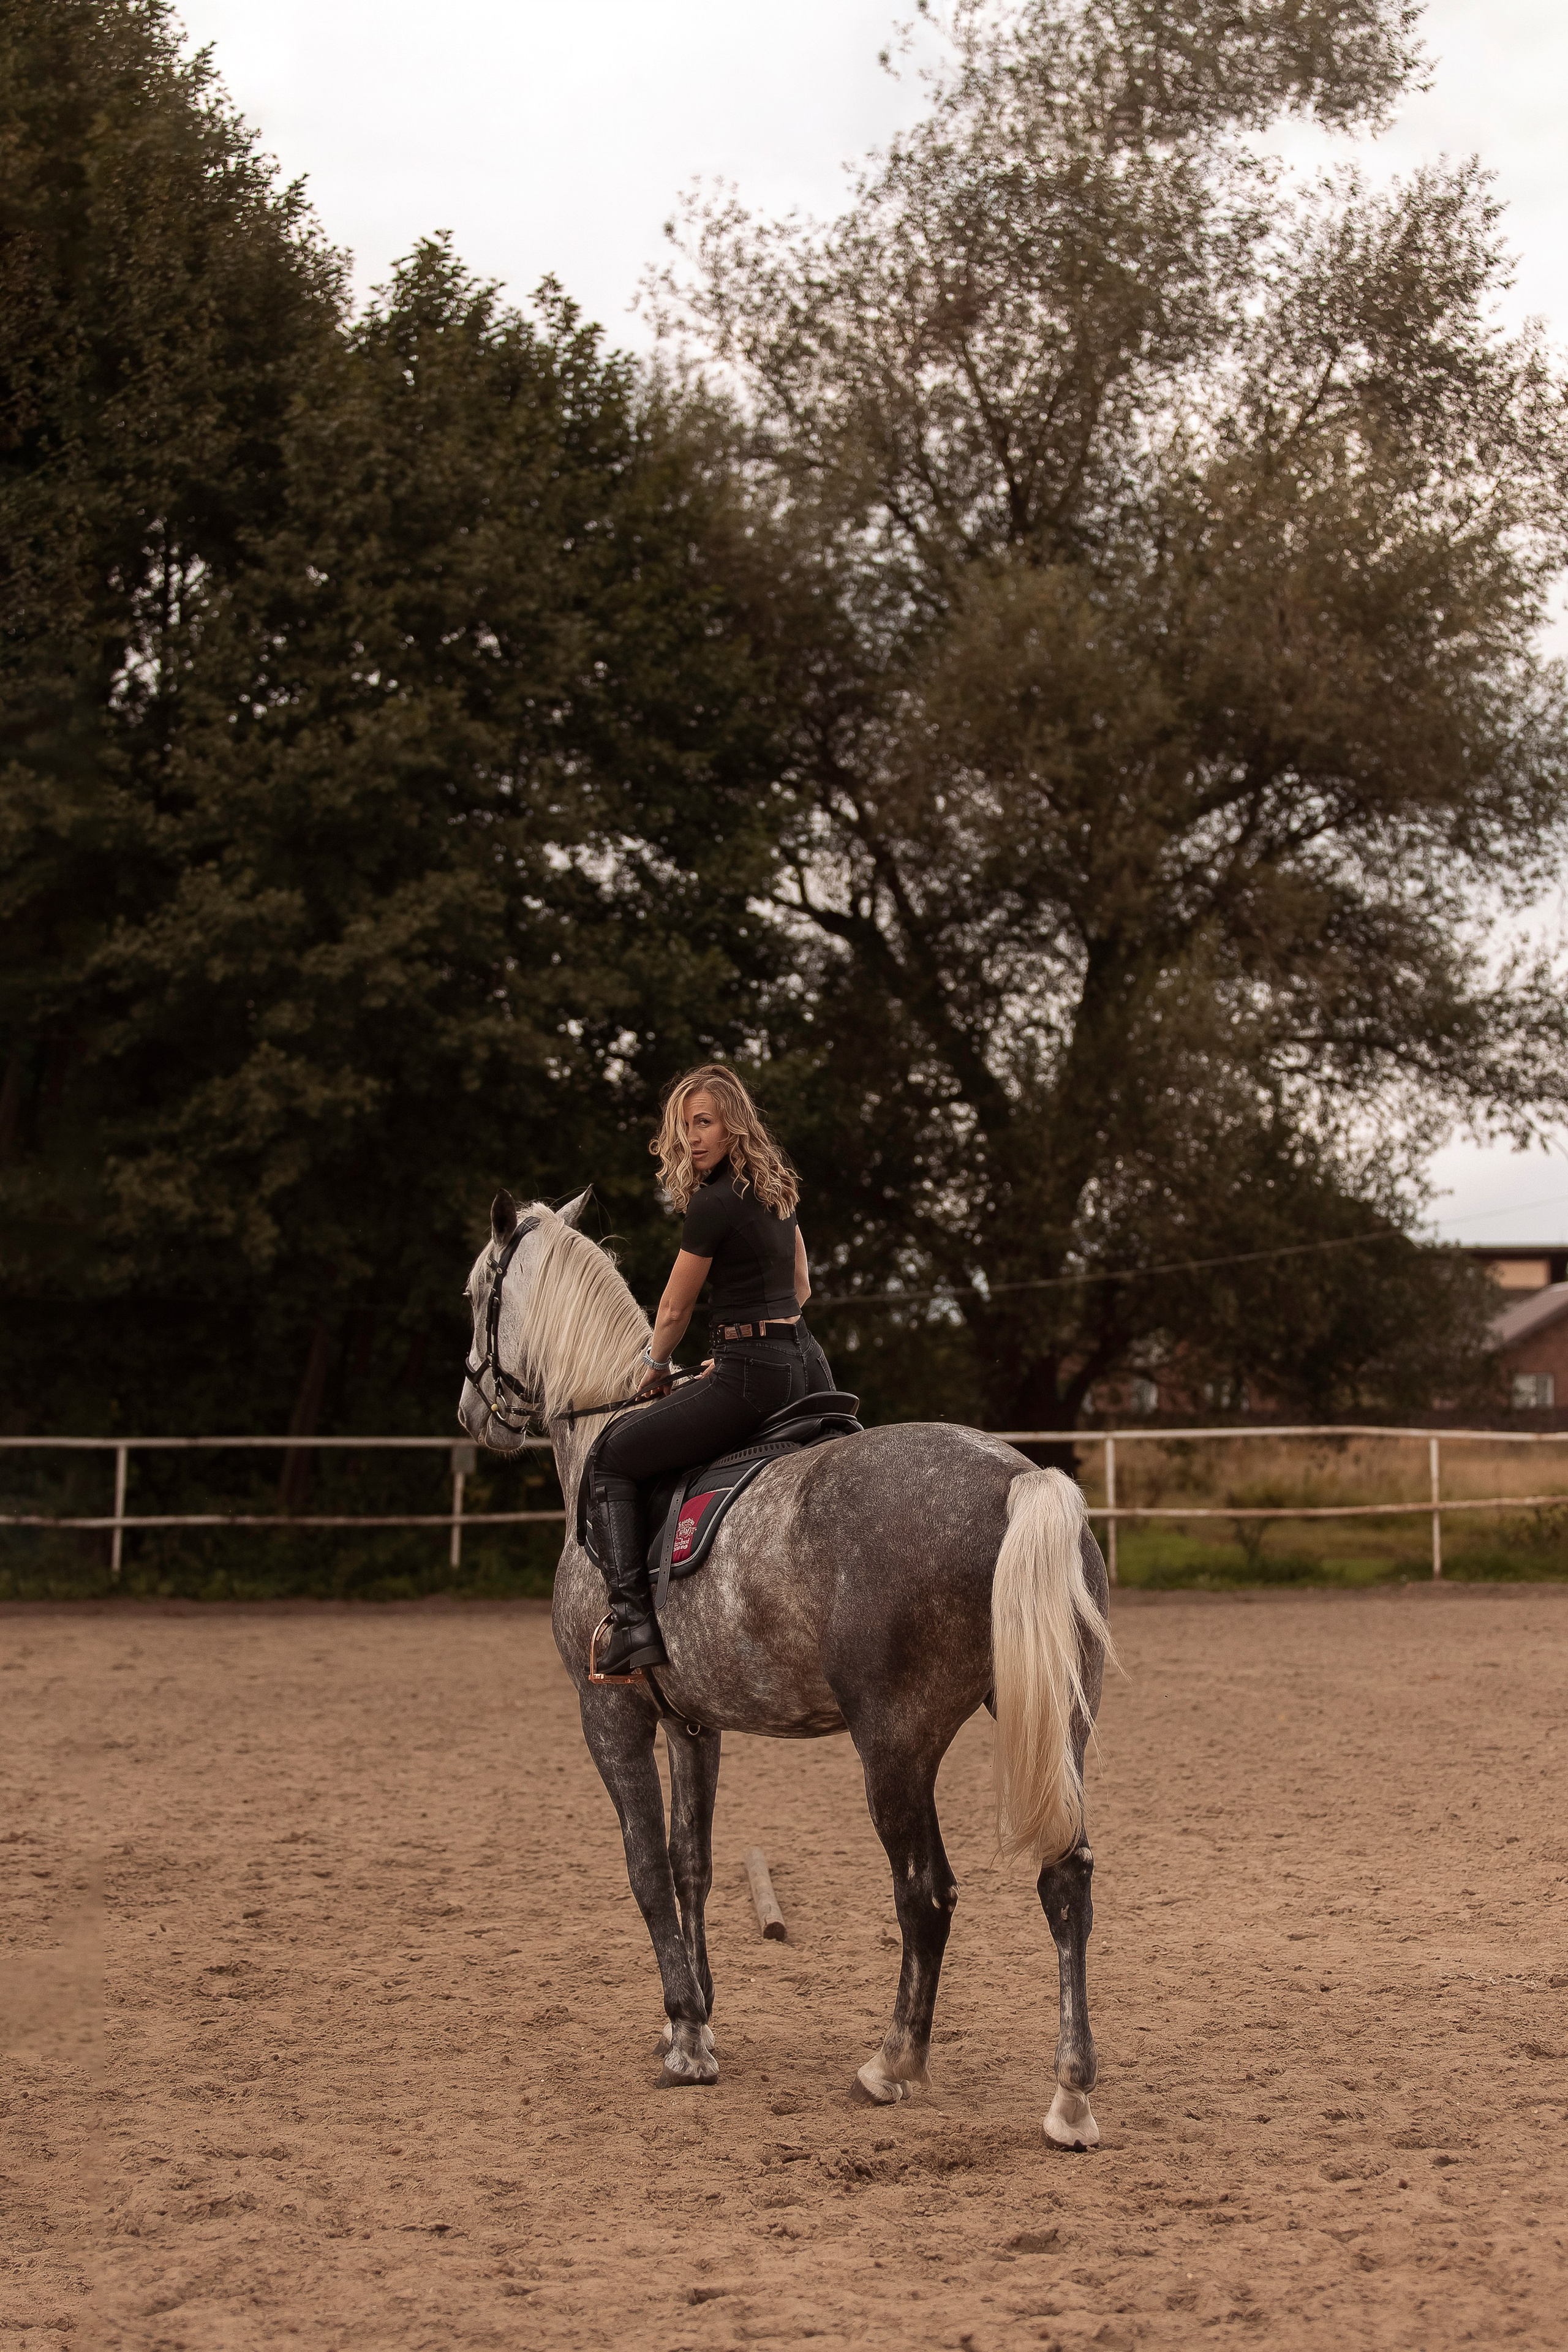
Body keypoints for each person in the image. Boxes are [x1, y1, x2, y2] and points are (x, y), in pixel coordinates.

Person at [586, 1065, 835, 1676]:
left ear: (733, 1126)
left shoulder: (712, 1203)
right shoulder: (778, 1189)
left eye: (704, 1123)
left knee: (610, 1457)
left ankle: (633, 1624)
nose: (692, 1138)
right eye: (684, 1126)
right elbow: (800, 1287)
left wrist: (655, 1365)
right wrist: (740, 1346)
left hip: (751, 1377)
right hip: (804, 1364)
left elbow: (674, 1310)